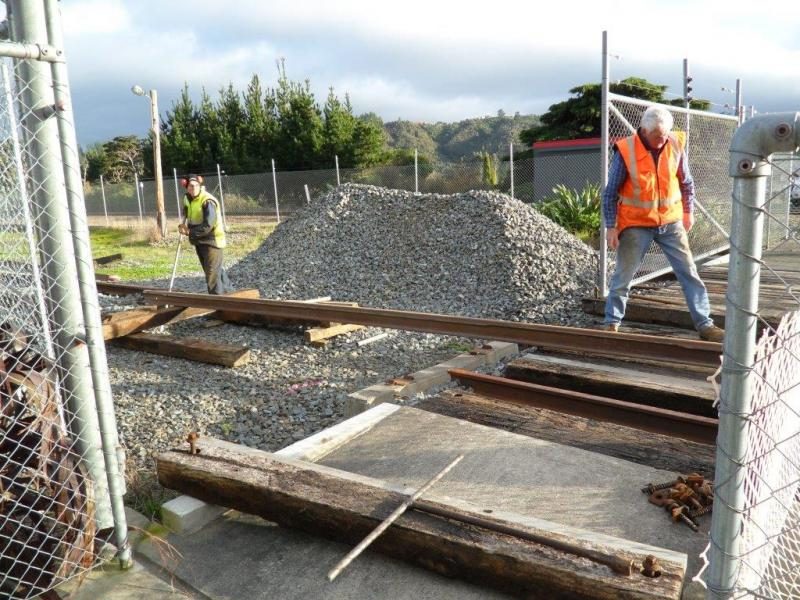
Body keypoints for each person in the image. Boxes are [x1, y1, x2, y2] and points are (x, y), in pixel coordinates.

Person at [602, 105, 724, 342]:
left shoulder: (675, 144)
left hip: (670, 222)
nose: (662, 140)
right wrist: (611, 227)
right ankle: (611, 324)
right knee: (623, 277)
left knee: (689, 272)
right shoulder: (626, 151)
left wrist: (688, 213)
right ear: (644, 131)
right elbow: (609, 193)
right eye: (658, 136)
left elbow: (687, 183)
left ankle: (705, 325)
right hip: (636, 224)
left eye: (665, 135)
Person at [178, 173, 231, 295]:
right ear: (186, 187)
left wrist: (190, 232)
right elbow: (187, 212)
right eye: (191, 186)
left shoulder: (207, 201)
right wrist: (183, 224)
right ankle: (231, 295)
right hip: (200, 241)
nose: (194, 188)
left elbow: (209, 225)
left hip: (212, 242)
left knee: (212, 275)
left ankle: (217, 303)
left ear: (200, 186)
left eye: (196, 185)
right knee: (215, 271)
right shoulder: (187, 199)